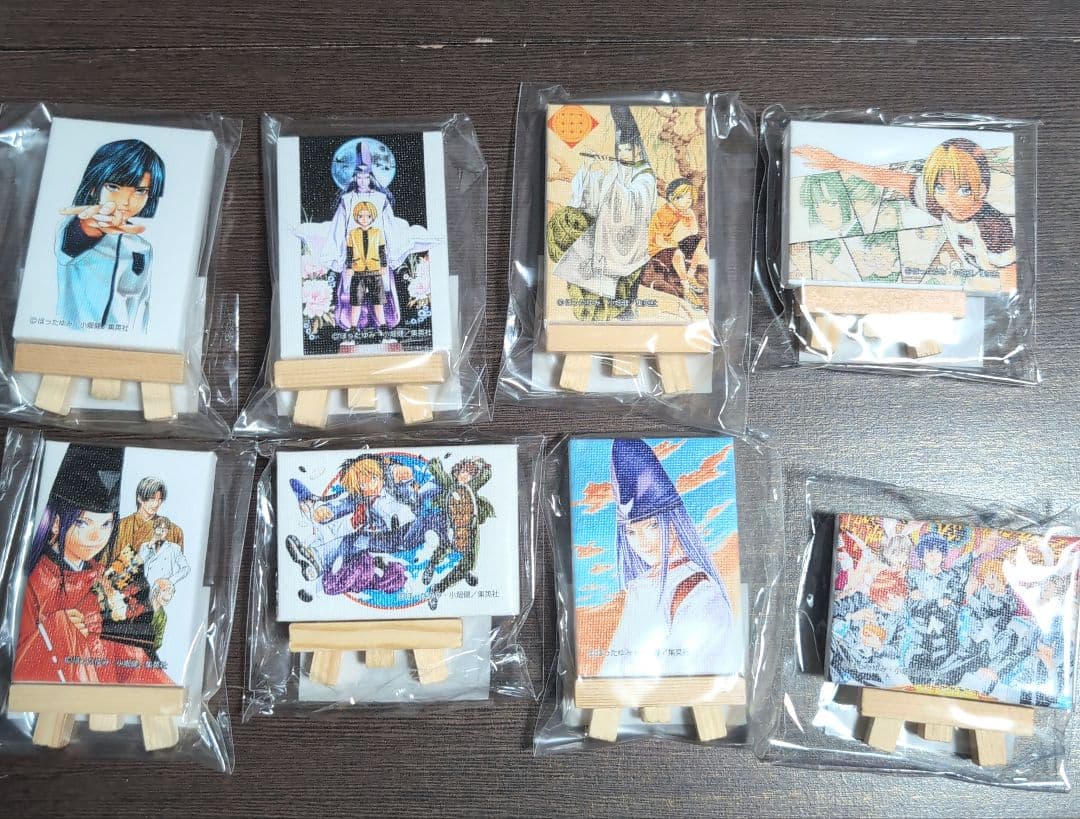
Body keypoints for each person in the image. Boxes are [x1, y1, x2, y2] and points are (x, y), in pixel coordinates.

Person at [13, 445, 170, 685]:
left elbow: (132, 661)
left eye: (106, 525)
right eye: (83, 523)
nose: (96, 537)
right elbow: (19, 669)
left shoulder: (106, 579)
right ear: (56, 523)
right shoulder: (34, 582)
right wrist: (58, 627)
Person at [600, 439, 741, 677]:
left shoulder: (700, 595)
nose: (642, 541)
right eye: (631, 532)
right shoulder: (641, 589)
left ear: (674, 521)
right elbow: (609, 673)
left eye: (653, 525)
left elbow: (694, 678)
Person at [794, 138, 1016, 289]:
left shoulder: (994, 225)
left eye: (963, 189)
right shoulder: (939, 204)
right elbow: (888, 178)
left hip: (990, 286)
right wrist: (836, 162)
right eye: (940, 187)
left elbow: (1009, 276)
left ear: (982, 188)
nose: (950, 198)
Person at [548, 106, 657, 321]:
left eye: (627, 149)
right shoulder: (620, 167)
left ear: (637, 149)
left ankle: (620, 310)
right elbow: (601, 190)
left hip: (630, 237)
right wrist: (592, 171)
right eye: (620, 150)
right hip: (609, 229)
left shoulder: (645, 176)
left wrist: (609, 181)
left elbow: (632, 201)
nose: (622, 154)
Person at [55, 139, 165, 332]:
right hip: (69, 338)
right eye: (114, 187)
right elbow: (72, 244)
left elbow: (140, 303)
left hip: (121, 343)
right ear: (93, 186)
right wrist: (93, 226)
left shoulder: (141, 247)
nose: (125, 201)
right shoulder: (76, 224)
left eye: (140, 191)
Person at [321, 142, 402, 331]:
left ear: (371, 177)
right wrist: (341, 257)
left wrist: (388, 257)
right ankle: (353, 327)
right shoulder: (347, 200)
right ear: (354, 177)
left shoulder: (381, 199)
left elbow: (390, 227)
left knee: (380, 292)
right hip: (355, 257)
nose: (363, 181)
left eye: (366, 177)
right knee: (353, 293)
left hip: (376, 257)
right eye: (359, 177)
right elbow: (338, 229)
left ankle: (383, 326)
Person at [423, 457, 494, 610]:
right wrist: (434, 465)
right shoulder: (450, 485)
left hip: (470, 530)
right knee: (444, 548)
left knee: (469, 561)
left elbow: (484, 477)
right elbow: (440, 474)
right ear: (457, 472)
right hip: (452, 527)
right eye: (463, 472)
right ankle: (431, 566)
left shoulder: (471, 487)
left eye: (469, 475)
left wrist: (486, 468)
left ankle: (439, 588)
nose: (466, 476)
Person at [642, 178, 708, 307]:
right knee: (677, 253)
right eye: (684, 197)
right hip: (656, 248)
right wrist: (675, 245)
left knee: (700, 240)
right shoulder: (665, 213)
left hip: (669, 243)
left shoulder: (682, 212)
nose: (688, 201)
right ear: (673, 197)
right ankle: (686, 288)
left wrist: (691, 217)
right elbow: (659, 240)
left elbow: (693, 232)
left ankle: (690, 274)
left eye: (690, 198)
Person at [137, 516, 190, 655]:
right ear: (154, 529)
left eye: (164, 529)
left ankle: (152, 648)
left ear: (167, 531)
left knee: (158, 619)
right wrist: (151, 543)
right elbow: (137, 563)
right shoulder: (145, 546)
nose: (161, 531)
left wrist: (169, 581)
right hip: (145, 590)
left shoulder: (174, 548)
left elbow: (185, 568)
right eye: (158, 528)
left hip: (162, 592)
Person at [337, 201, 389, 334]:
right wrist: (349, 267)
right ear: (356, 217)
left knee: (378, 300)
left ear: (372, 217)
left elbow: (382, 250)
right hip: (358, 270)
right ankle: (353, 326)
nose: (364, 219)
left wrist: (383, 265)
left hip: (375, 270)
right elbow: (349, 251)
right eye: (361, 216)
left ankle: (383, 324)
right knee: (356, 300)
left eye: (368, 216)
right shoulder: (352, 233)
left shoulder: (377, 232)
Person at [110, 476, 184, 565]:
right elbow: (107, 562)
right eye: (152, 499)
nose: (156, 504)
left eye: (159, 500)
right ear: (140, 498)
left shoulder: (174, 531)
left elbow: (178, 567)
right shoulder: (119, 526)